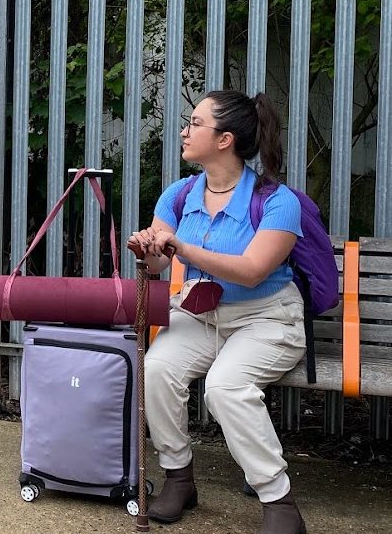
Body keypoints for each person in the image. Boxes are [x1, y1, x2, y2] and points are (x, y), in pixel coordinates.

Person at [128, 90, 307, 534]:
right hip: (201, 313)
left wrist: (183, 247)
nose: (185, 131)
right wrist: (148, 249)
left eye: (195, 123)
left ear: (224, 139)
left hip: (267, 318)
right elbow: (159, 263)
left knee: (226, 387)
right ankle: (179, 478)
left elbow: (250, 272)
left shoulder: (278, 201)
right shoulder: (180, 193)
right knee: (157, 370)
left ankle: (278, 502)